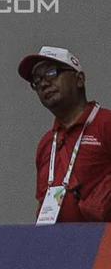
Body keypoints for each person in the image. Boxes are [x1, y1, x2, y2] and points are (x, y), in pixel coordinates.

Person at [20, 46, 111, 224]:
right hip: (61, 247)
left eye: (52, 73)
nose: (44, 83)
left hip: (104, 246)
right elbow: (43, 203)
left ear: (79, 79)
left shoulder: (106, 124)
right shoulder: (47, 143)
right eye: (37, 81)